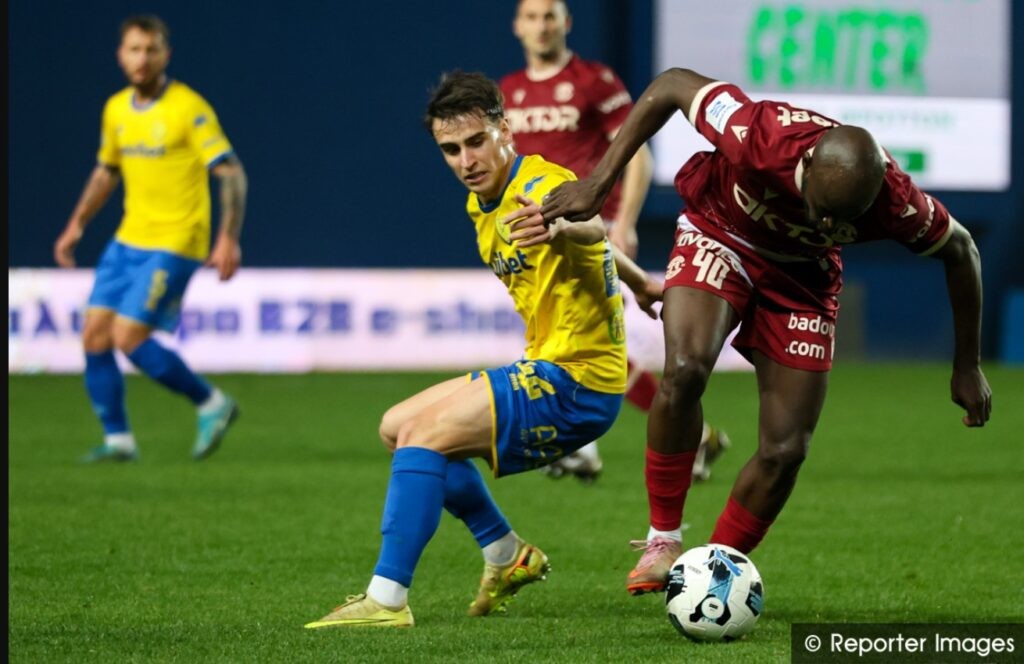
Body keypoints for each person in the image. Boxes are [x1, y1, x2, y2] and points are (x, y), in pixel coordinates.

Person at [534, 67, 992, 595]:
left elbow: (963, 251)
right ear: (807, 165)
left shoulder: (897, 200)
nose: (826, 225)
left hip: (803, 278)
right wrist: (598, 183)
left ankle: (711, 574)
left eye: (841, 221)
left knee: (786, 448)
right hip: (719, 233)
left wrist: (967, 364)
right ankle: (663, 540)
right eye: (821, 210)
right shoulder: (763, 133)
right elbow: (672, 85)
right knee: (683, 369)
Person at [304, 71, 663, 629]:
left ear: (506, 131)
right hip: (545, 367)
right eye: (451, 149)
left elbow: (590, 224)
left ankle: (386, 599)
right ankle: (505, 552)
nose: (466, 160)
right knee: (396, 427)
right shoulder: (482, 205)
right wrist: (639, 283)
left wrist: (559, 228)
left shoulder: (540, 184)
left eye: (476, 142)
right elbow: (602, 250)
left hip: (577, 384)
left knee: (424, 438)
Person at [500, 0, 728, 483]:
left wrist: (625, 221)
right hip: (539, 234)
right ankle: (664, 439)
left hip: (588, 226)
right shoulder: (509, 92)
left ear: (566, 23)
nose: (541, 26)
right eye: (532, 17)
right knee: (571, 342)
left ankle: (607, 442)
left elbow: (638, 153)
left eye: (549, 16)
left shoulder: (593, 81)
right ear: (518, 26)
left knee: (580, 342)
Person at [53, 15, 247, 463]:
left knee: (128, 335)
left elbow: (231, 171)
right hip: (129, 238)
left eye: (151, 49)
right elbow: (107, 170)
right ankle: (119, 440)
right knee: (94, 334)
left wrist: (228, 238)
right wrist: (76, 224)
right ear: (121, 56)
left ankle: (211, 402)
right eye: (134, 49)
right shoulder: (116, 109)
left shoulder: (188, 108)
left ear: (166, 55)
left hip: (177, 239)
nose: (142, 58)